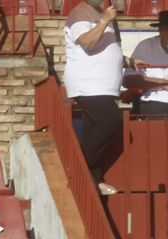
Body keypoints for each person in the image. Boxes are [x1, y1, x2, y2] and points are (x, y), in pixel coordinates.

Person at [62, 0, 126, 196]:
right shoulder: (79, 14)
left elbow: (105, 50)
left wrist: (128, 61)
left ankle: (95, 178)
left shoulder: (100, 14)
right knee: (111, 120)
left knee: (92, 132)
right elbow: (88, 43)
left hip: (103, 86)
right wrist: (105, 20)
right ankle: (80, 167)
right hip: (88, 84)